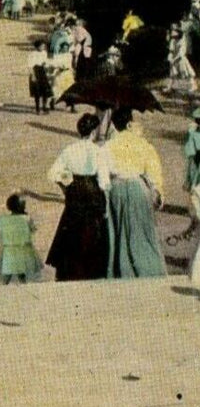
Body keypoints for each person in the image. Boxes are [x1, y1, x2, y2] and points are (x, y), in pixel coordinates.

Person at [45, 113, 111, 281]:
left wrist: (65, 187)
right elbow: (104, 182)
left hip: (75, 191)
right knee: (93, 231)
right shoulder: (98, 151)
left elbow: (53, 174)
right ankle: (92, 270)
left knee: (72, 228)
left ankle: (71, 270)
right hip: (92, 191)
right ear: (94, 131)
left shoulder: (69, 149)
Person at [105, 108, 166, 278]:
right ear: (130, 123)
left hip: (116, 188)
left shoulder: (108, 145)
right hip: (138, 187)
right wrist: (157, 192)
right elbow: (153, 172)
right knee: (142, 230)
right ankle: (148, 269)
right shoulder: (143, 144)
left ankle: (121, 270)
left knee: (118, 231)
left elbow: (103, 173)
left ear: (114, 126)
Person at [0, 194, 42, 284]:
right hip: (22, 249)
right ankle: (23, 286)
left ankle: (3, 288)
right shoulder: (27, 218)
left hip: (9, 250)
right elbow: (33, 229)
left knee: (7, 273)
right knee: (21, 272)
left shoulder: (5, 219)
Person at [27, 40, 53, 114]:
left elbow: (45, 62)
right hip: (36, 71)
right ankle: (37, 108)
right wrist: (33, 75)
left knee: (45, 90)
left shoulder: (44, 53)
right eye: (42, 46)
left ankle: (44, 106)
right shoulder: (32, 54)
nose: (43, 47)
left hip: (42, 72)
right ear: (37, 47)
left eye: (44, 46)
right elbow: (30, 66)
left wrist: (47, 66)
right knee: (37, 91)